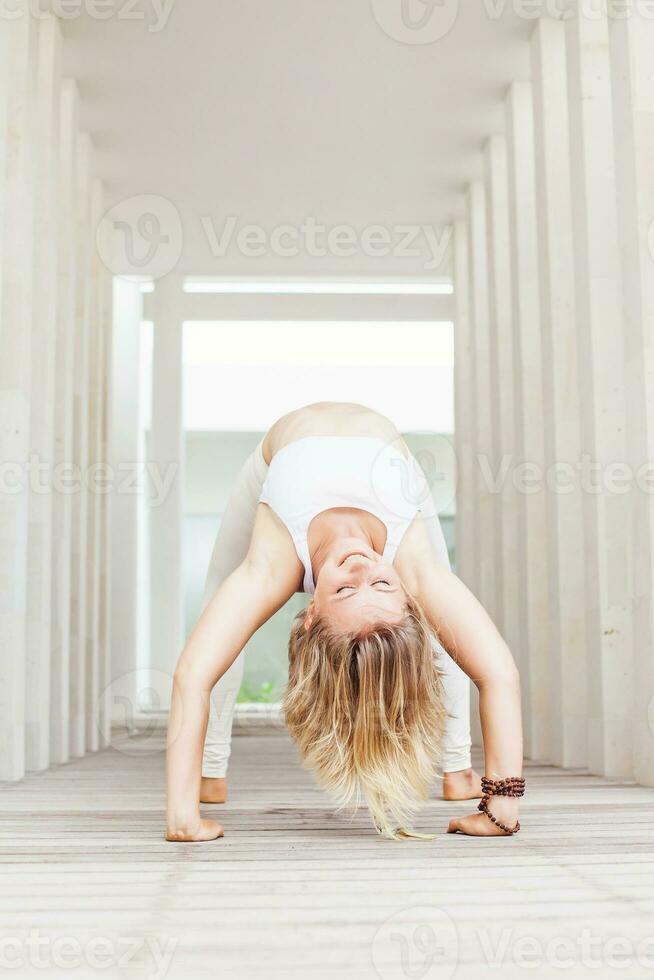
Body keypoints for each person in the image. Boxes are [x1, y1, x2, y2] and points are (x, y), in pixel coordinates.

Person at [165, 402, 524, 841]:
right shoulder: (412, 568)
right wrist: (502, 808)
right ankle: (210, 771)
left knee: (220, 600)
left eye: (345, 590)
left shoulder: (273, 563)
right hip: (388, 464)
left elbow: (191, 675)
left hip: (282, 460)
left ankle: (456, 768)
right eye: (381, 584)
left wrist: (182, 816)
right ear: (407, 596)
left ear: (309, 614)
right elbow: (499, 673)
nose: (361, 568)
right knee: (439, 607)